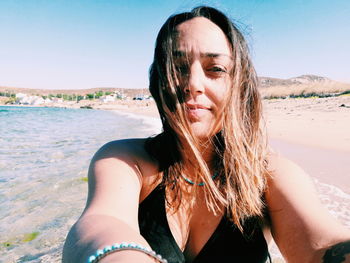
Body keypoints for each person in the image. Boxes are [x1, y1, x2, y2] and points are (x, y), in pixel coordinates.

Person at [62, 5, 350, 263]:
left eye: (215, 69)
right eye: (177, 68)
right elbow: (99, 223)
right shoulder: (125, 162)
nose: (193, 83)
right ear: (159, 82)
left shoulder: (268, 175)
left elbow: (322, 244)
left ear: (238, 86)